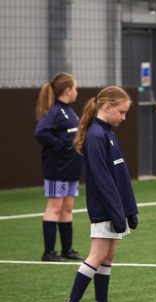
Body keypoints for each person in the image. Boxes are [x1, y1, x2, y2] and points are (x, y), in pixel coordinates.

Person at [58, 86, 137, 302]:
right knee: (98, 254)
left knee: (108, 255)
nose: (123, 117)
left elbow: (119, 177)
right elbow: (102, 179)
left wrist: (129, 210)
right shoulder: (96, 135)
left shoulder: (108, 133)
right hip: (105, 207)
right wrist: (116, 212)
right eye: (121, 112)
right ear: (107, 107)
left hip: (115, 207)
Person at [34, 72, 84, 262]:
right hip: (57, 168)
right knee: (54, 208)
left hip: (71, 168)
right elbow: (40, 133)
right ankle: (49, 253)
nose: (77, 92)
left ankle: (67, 250)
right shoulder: (55, 111)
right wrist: (61, 146)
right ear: (68, 90)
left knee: (67, 208)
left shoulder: (69, 110)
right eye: (76, 88)